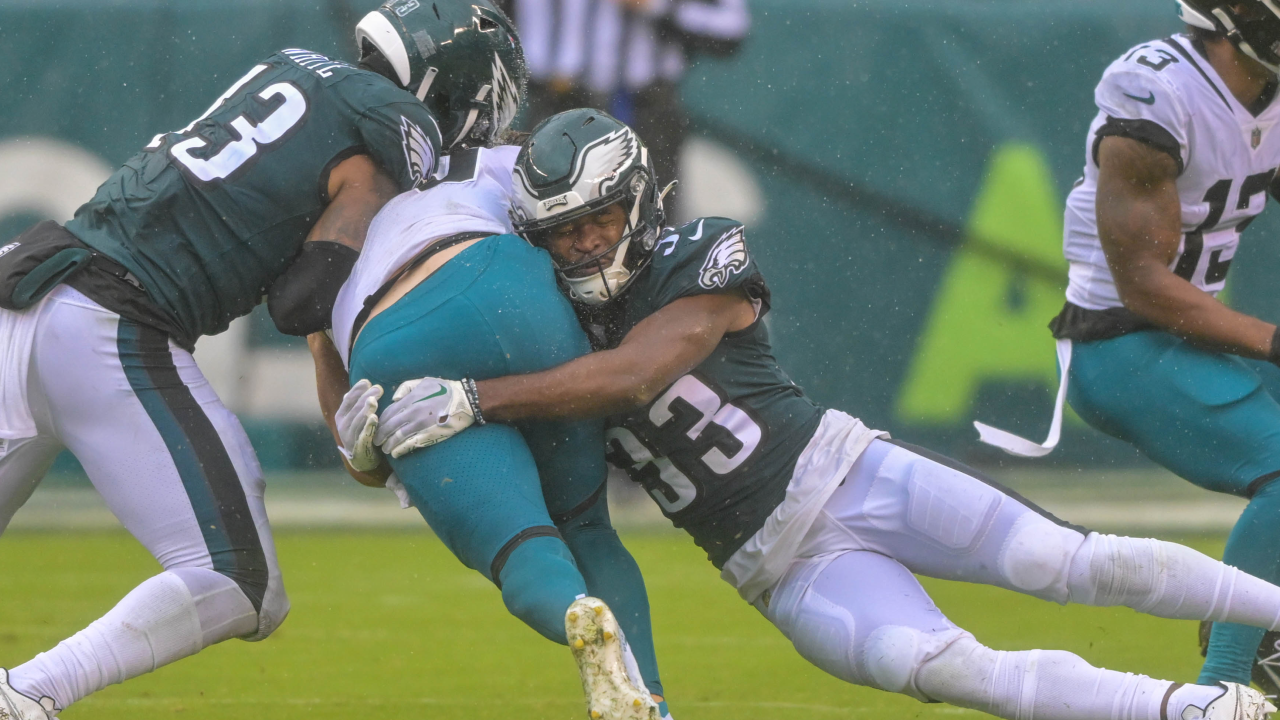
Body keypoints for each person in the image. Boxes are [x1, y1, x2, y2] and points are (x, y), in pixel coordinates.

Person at [347, 108, 1280, 720]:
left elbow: (639, 374)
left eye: (597, 217)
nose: (583, 240)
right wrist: (381, 440)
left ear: (639, 198)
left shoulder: (699, 253)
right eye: (561, 229)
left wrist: (476, 396)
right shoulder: (547, 328)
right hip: (775, 570)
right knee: (950, 670)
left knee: (1064, 561)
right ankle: (1192, 711)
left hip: (847, 475)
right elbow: (514, 465)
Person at [0, 1, 523, 717]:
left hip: (25, 278)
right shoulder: (389, 133)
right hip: (107, 327)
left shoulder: (293, 69)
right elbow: (301, 302)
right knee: (241, 580)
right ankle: (29, 693)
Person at [970, 0, 1280, 696]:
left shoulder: (1266, 92)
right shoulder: (1159, 92)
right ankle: (1228, 683)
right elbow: (1144, 286)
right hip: (1122, 344)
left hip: (1183, 341)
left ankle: (1258, 622)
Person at [314, 140, 667, 720]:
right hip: (507, 282)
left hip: (390, 340)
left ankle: (570, 610)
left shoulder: (314, 223)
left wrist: (360, 448)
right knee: (584, 524)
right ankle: (654, 700)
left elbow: (355, 445)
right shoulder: (500, 158)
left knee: (519, 548)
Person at [499, 0, 749, 219]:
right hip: (552, 102)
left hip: (645, 108)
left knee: (647, 225)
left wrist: (656, 5)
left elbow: (731, 27)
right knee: (542, 218)